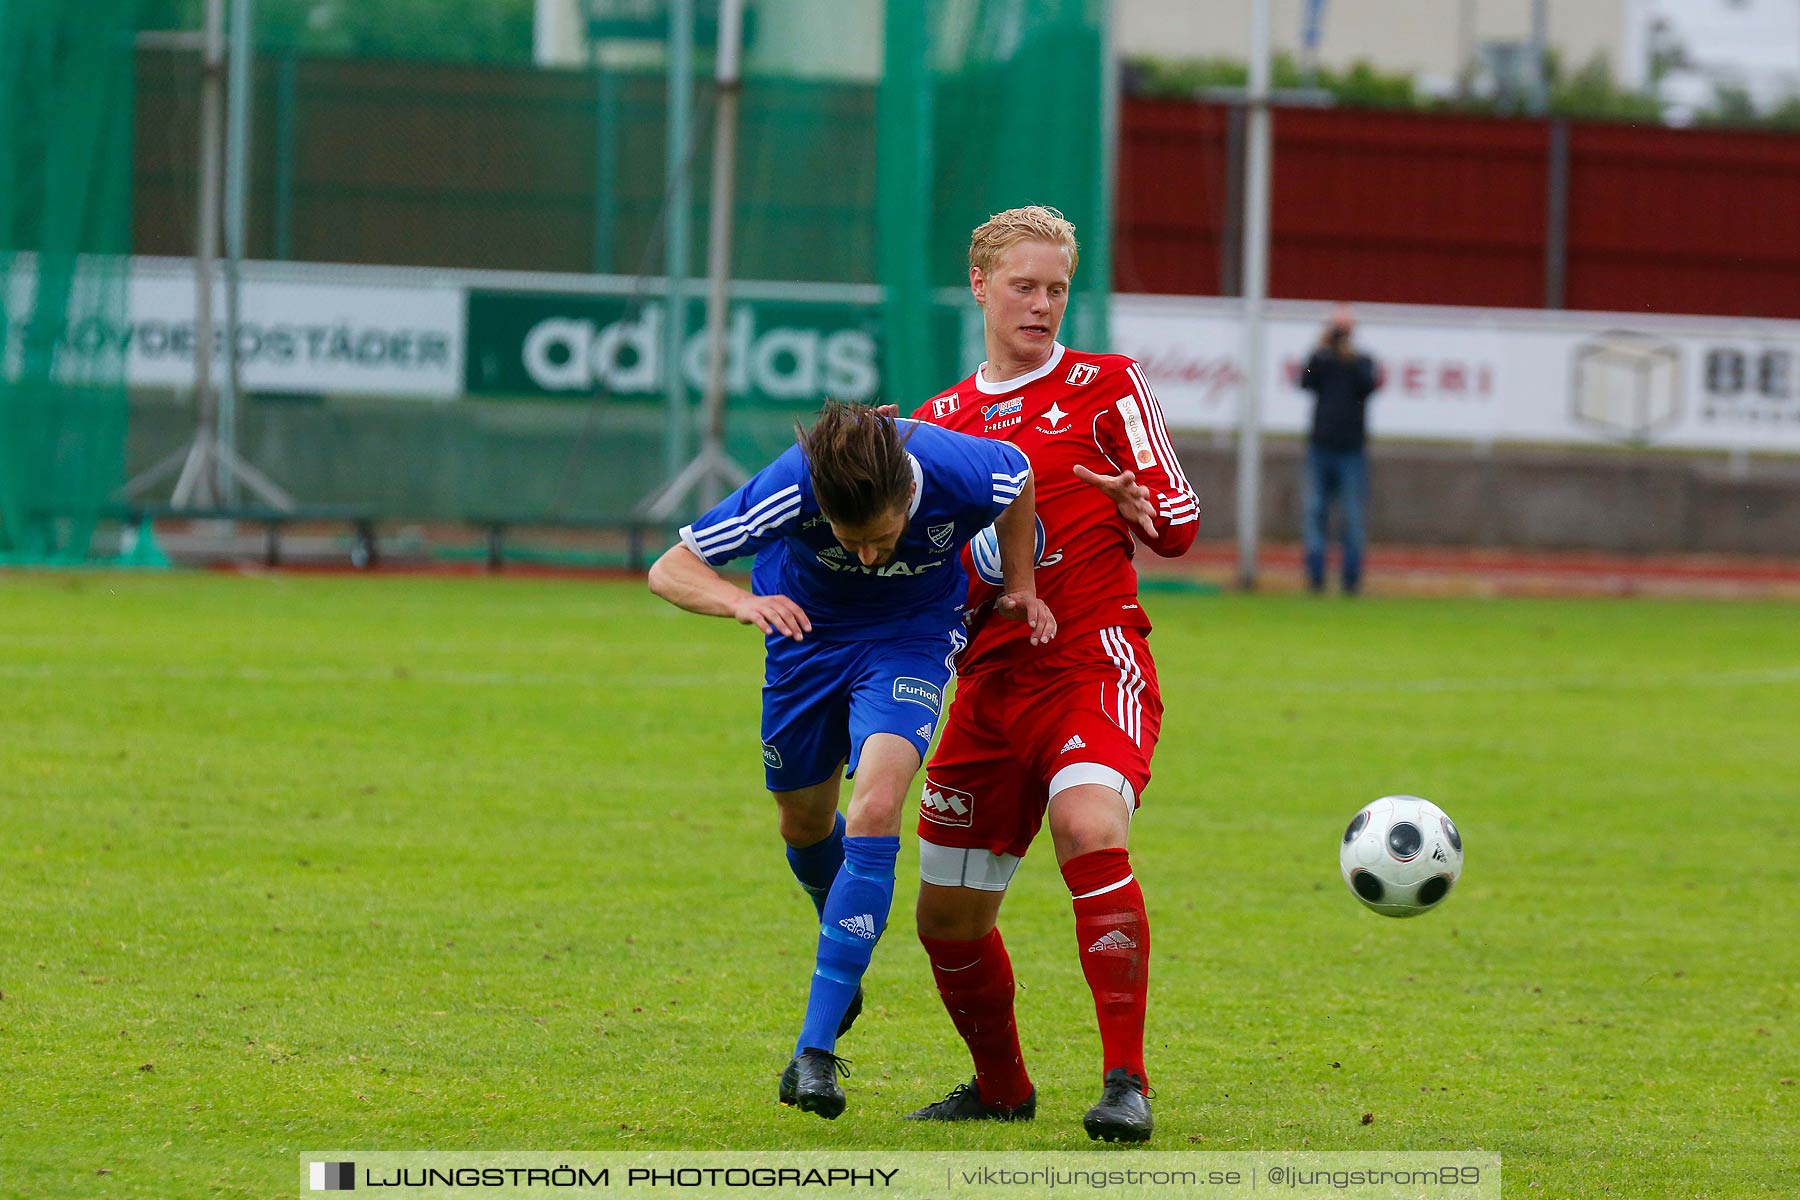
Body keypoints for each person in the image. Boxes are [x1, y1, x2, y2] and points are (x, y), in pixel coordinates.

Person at [645, 401, 1054, 1122]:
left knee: (873, 806)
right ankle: (842, 936)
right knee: (803, 824)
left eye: (883, 538)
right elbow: (670, 569)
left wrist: (1019, 583)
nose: (868, 555)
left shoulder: (960, 468)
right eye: (850, 540)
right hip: (805, 640)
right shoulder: (792, 483)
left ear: (907, 497)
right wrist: (738, 603)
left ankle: (814, 1050)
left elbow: (1018, 479)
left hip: (910, 638)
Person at [903, 206, 1199, 1142]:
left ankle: (1126, 1082)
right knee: (945, 920)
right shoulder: (937, 421)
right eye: (1023, 286)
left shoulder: (1107, 386)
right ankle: (1000, 1088)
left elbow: (1181, 527)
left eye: (1057, 288)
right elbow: (933, 570)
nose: (1040, 304)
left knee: (1086, 823)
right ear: (981, 286)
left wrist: (1140, 505)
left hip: (1089, 660)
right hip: (988, 691)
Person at [1297, 304, 1381, 595]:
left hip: (1351, 450)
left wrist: (1348, 358)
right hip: (1321, 448)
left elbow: (1369, 384)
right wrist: (1322, 351)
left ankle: (1351, 581)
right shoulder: (1320, 359)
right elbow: (1304, 378)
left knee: (1353, 517)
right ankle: (1316, 579)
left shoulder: (1363, 360)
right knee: (1315, 513)